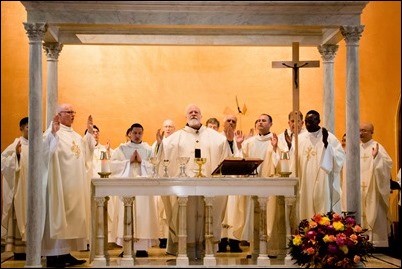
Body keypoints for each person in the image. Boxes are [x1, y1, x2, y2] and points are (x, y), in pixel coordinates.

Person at [156, 104, 233, 259]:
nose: (193, 114)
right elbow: (163, 160)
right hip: (184, 189)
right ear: (186, 117)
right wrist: (160, 145)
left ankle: (207, 250)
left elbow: (227, 155)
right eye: (190, 112)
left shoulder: (215, 137)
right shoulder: (175, 138)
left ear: (201, 116)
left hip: (209, 187)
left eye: (196, 112)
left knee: (209, 214)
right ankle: (185, 250)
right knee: (185, 216)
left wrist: (230, 141)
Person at [42, 104, 95, 267]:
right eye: (69, 112)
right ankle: (52, 255)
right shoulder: (52, 131)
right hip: (59, 184)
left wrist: (89, 136)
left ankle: (65, 253)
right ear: (59, 114)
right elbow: (44, 152)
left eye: (73, 112)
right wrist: (52, 135)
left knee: (71, 220)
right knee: (58, 216)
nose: (72, 115)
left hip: (74, 185)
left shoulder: (77, 136)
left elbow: (85, 154)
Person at [110, 123, 159, 257]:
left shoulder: (148, 149)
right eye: (135, 133)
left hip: (143, 188)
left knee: (143, 215)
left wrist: (142, 162)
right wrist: (128, 162)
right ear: (129, 133)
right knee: (127, 213)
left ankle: (142, 248)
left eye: (139, 133)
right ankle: (126, 247)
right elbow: (112, 165)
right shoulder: (121, 148)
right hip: (127, 186)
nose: (137, 136)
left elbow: (156, 165)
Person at [241, 113, 282, 257]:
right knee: (254, 216)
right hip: (252, 184)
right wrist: (240, 145)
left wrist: (276, 148)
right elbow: (242, 160)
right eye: (258, 120)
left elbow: (280, 163)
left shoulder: (276, 140)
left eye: (264, 120)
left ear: (271, 124)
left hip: (269, 184)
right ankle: (255, 250)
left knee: (269, 217)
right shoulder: (249, 142)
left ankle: (270, 249)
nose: (260, 122)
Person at [296, 110, 345, 222]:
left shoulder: (329, 137)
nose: (308, 125)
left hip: (324, 180)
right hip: (305, 181)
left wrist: (328, 147)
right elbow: (294, 160)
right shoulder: (300, 139)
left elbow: (340, 157)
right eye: (307, 122)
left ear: (318, 121)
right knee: (305, 207)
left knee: (323, 205)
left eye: (311, 122)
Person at [359, 122, 393, 247]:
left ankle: (377, 241)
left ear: (372, 132)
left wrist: (377, 158)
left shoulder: (377, 146)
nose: (361, 133)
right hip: (359, 189)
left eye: (364, 130)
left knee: (375, 210)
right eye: (359, 130)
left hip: (374, 188)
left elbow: (388, 163)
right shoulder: (356, 148)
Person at [1, 117, 29, 260]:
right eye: (27, 127)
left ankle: (35, 247)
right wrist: (16, 156)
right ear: (21, 128)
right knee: (19, 215)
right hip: (20, 189)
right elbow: (3, 161)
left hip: (33, 190)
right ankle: (19, 250)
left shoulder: (37, 145)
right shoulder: (16, 144)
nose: (30, 130)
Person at [151, 119, 176, 249]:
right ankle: (162, 237)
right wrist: (160, 145)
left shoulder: (177, 142)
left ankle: (173, 236)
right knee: (161, 210)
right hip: (161, 179)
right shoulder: (156, 143)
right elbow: (154, 158)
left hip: (174, 179)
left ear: (174, 128)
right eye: (166, 126)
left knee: (173, 208)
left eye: (170, 126)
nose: (168, 128)